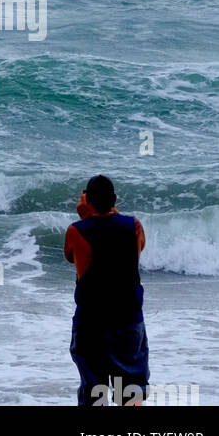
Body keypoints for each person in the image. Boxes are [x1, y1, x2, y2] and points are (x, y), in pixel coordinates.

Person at [64, 174, 148, 406]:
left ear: (87, 201)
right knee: (130, 391)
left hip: (91, 322)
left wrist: (86, 216)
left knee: (95, 392)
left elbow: (71, 257)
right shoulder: (134, 226)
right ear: (115, 199)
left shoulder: (76, 230)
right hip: (128, 318)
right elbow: (135, 247)